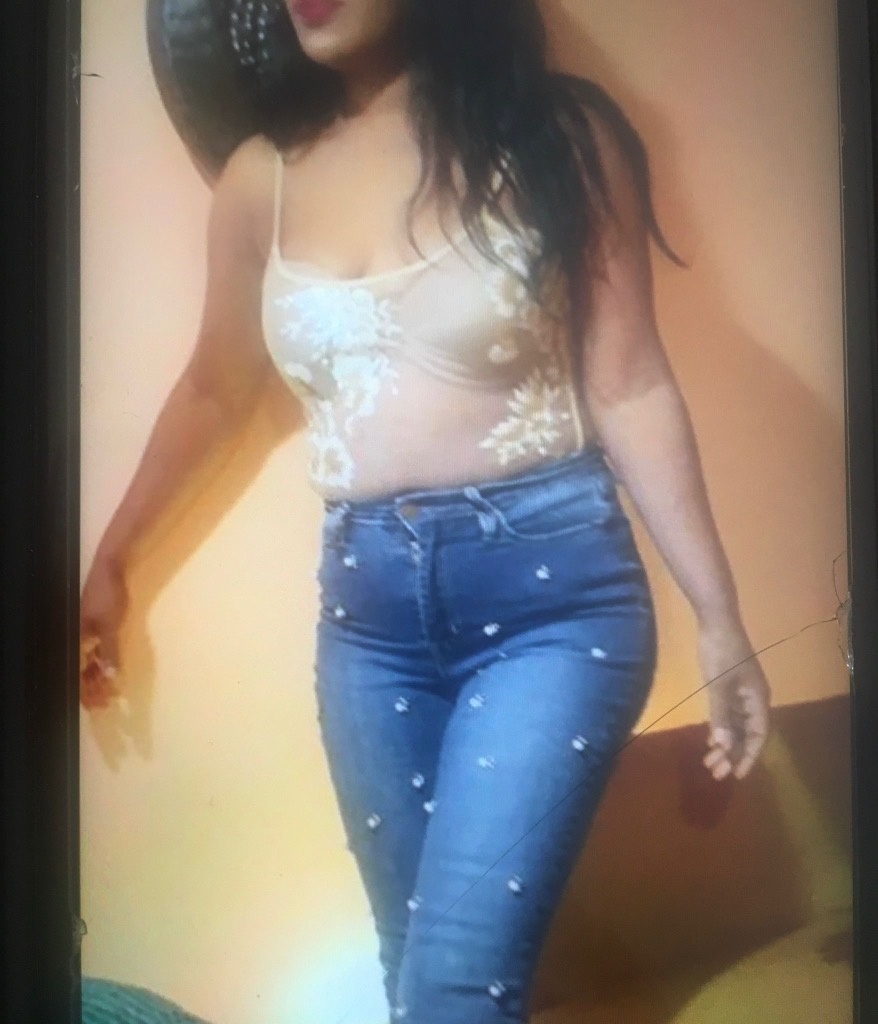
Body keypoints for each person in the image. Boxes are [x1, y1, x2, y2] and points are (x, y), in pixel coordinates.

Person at [80, 1, 772, 1020]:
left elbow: (629, 385)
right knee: (413, 970)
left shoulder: (558, 136)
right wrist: (113, 558)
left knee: (452, 988)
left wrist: (720, 615)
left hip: (553, 604)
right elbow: (215, 392)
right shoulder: (261, 177)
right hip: (366, 624)